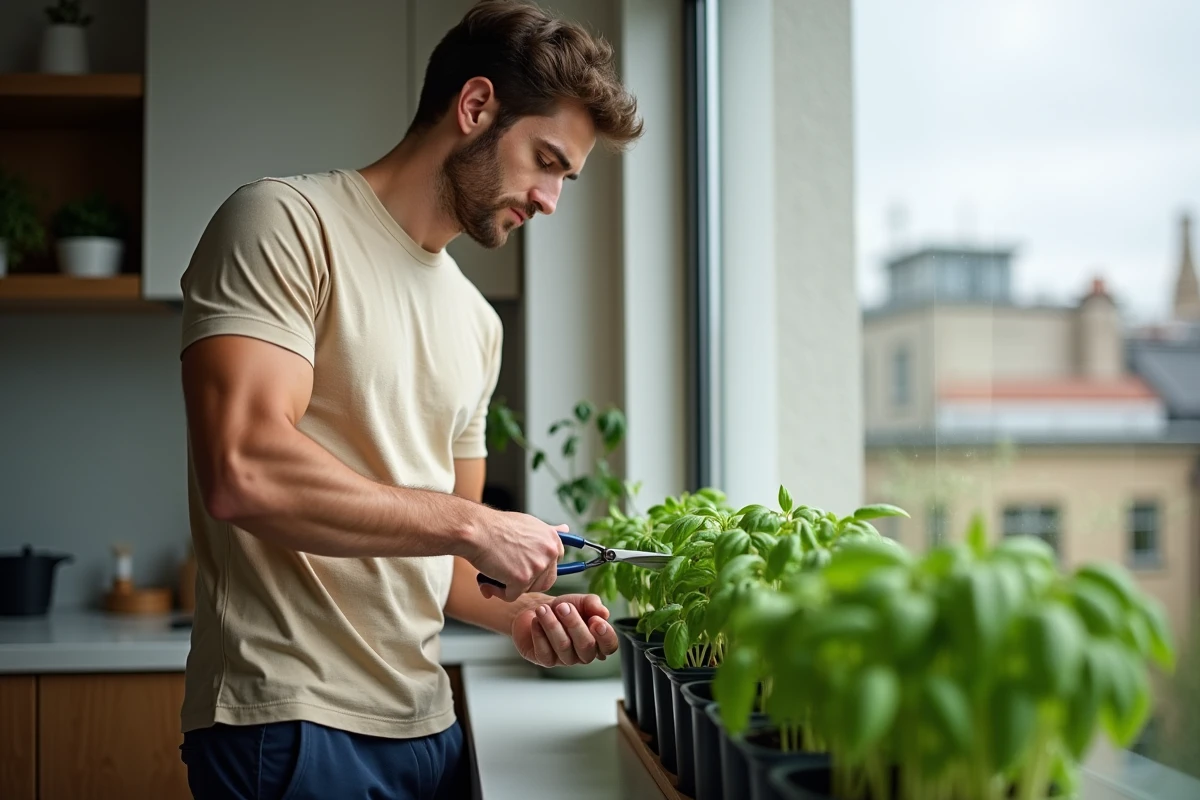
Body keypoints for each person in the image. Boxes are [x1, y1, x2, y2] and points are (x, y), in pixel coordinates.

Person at [174, 1, 643, 797]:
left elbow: (449, 567)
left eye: (565, 176)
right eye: (546, 161)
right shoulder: (285, 224)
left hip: (428, 728)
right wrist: (476, 523)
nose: (549, 200)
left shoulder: (475, 323)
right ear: (476, 106)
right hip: (291, 729)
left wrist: (521, 618)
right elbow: (243, 468)